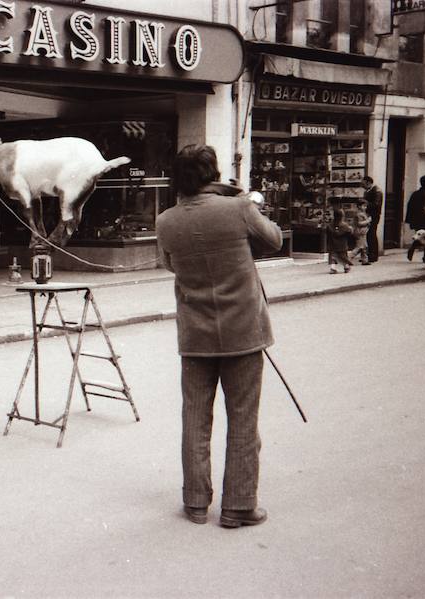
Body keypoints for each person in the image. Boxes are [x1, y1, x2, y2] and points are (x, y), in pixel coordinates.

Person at [156, 145, 282, 528]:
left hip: (196, 334)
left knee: (195, 419)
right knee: (243, 419)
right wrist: (244, 200)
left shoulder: (166, 221)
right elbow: (274, 240)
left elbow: (169, 264)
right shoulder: (239, 208)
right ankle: (238, 506)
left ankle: (195, 503)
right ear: (213, 173)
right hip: (243, 331)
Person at [405, 175, 425, 264]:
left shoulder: (415, 194)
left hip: (417, 220)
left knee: (421, 236)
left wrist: (409, 220)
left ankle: (413, 247)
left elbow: (410, 207)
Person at [361, 176, 382, 263]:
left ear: (368, 182)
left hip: (373, 215)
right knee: (369, 235)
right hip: (368, 215)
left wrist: (365, 203)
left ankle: (373, 255)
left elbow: (376, 204)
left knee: (371, 234)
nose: (362, 185)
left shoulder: (377, 191)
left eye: (363, 183)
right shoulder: (368, 191)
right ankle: (369, 254)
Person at [327, 208, 354, 274]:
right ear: (342, 216)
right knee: (343, 256)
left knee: (333, 257)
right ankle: (346, 267)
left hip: (333, 244)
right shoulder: (344, 225)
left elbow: (327, 231)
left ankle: (333, 268)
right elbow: (350, 232)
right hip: (342, 244)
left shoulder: (330, 225)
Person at [350, 200, 371, 265]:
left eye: (366, 206)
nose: (365, 207)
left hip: (363, 232)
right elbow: (359, 223)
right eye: (364, 206)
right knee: (359, 247)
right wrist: (368, 221)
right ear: (359, 206)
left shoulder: (362, 213)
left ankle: (365, 260)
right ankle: (348, 258)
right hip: (360, 232)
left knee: (364, 246)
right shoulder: (359, 214)